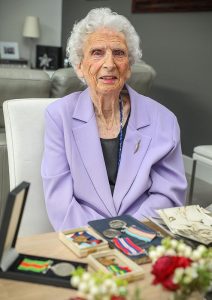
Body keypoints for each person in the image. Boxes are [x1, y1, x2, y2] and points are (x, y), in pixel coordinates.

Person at [41, 8, 187, 231]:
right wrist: (100, 237)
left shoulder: (163, 120)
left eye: (118, 53)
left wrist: (130, 235)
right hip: (82, 237)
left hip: (144, 235)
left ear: (129, 66)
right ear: (80, 66)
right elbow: (60, 201)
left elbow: (168, 195)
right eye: (97, 52)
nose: (109, 63)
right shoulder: (59, 116)